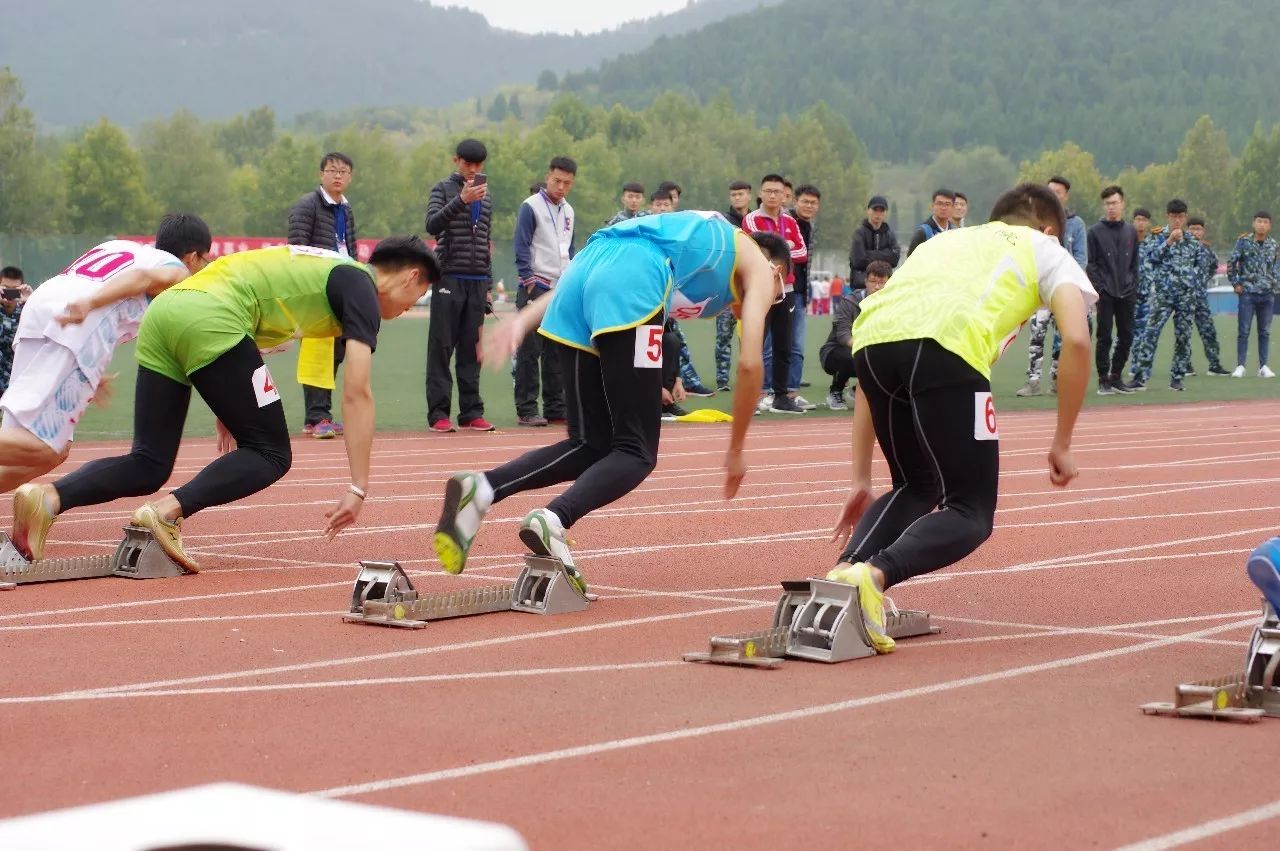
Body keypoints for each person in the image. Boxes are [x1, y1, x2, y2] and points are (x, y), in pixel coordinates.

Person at [11, 237, 440, 568]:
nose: (408, 308)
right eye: (416, 297)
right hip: (213, 318)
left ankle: (46, 498)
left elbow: (253, 294)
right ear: (411, 277)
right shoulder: (360, 286)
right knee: (271, 453)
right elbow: (357, 391)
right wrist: (358, 487)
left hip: (165, 315)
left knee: (148, 463)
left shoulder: (329, 268)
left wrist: (227, 405)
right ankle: (165, 513)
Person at [431, 211, 791, 594]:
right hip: (630, 283)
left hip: (581, 278)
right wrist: (736, 448)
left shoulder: (698, 251)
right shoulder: (759, 268)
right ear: (777, 270)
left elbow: (602, 264)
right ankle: (554, 519)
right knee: (636, 450)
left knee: (591, 443)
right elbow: (751, 365)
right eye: (777, 295)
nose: (769, 303)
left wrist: (523, 320)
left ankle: (484, 488)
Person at [825, 184, 1096, 653]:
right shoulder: (1044, 248)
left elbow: (877, 338)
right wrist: (1063, 441)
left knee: (916, 484)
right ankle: (873, 576)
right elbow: (1076, 339)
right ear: (1051, 230)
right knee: (971, 511)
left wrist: (860, 476)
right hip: (947, 350)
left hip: (869, 348)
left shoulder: (941, 242)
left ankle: (843, 576)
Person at [0, 218, 210, 519]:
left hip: (42, 309)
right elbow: (140, 278)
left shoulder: (120, 247)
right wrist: (90, 304)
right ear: (192, 257)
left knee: (42, 452)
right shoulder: (177, 271)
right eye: (205, 260)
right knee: (47, 447)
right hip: (77, 322)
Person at [424, 139, 495, 434]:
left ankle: (471, 412)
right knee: (442, 347)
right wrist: (461, 200)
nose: (473, 170)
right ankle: (439, 413)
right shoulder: (442, 189)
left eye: (478, 165)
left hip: (477, 280)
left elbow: (484, 241)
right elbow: (432, 225)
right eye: (468, 164)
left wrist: (489, 284)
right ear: (456, 161)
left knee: (471, 349)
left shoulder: (487, 197)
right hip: (448, 276)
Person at [288, 152, 357, 439]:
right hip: (316, 288)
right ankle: (317, 417)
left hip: (341, 286)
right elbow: (297, 249)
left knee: (336, 352)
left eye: (343, 171)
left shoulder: (346, 209)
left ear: (350, 177)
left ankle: (321, 414)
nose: (337, 175)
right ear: (321, 175)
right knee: (317, 352)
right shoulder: (307, 205)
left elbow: (349, 249)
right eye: (332, 170)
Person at [514, 156, 577, 427]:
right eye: (556, 180)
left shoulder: (569, 211)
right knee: (530, 351)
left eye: (567, 183)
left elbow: (569, 249)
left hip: (560, 287)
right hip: (536, 285)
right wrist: (528, 279)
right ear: (547, 176)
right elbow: (522, 244)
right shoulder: (531, 207)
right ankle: (527, 408)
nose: (561, 187)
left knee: (556, 351)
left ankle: (555, 406)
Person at [1129, 199, 1215, 390]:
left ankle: (1177, 378)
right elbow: (1150, 259)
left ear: (1184, 217)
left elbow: (1201, 266)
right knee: (1150, 333)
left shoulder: (1193, 240)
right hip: (1163, 295)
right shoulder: (1158, 236)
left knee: (1183, 337)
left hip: (1186, 296)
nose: (1177, 220)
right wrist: (1168, 242)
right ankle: (1140, 377)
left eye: (1181, 217)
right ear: (1168, 216)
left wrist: (1193, 287)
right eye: (1174, 217)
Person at [1016, 176, 1087, 395]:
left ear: (1066, 196)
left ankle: (1058, 380)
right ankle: (1033, 381)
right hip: (1039, 290)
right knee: (1037, 336)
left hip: (1064, 289)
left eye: (1058, 192)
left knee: (1064, 337)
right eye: (1049, 192)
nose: (1053, 196)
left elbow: (1081, 258)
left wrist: (1069, 282)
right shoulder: (1034, 223)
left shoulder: (1076, 224)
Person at [743, 174, 807, 415]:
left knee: (784, 344)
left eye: (777, 192)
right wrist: (784, 245)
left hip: (785, 289)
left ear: (784, 195)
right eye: (768, 191)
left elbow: (802, 252)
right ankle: (751, 396)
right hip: (759, 290)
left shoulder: (790, 221)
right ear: (761, 193)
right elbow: (754, 248)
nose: (772, 195)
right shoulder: (751, 219)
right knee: (755, 343)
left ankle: (780, 396)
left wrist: (779, 247)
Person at [1087, 185, 1139, 394]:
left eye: (1115, 203)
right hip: (1106, 293)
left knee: (1127, 335)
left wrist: (1133, 284)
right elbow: (1092, 264)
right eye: (1108, 203)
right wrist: (1100, 288)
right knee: (1104, 336)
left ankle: (1116, 376)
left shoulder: (1130, 231)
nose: (1111, 207)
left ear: (1122, 204)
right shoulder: (1095, 232)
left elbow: (1135, 263)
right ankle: (1103, 379)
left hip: (1127, 292)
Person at [820, 260, 890, 410]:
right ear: (865, 281)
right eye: (873, 282)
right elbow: (843, 335)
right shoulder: (850, 302)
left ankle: (858, 390)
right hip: (835, 351)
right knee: (853, 356)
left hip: (870, 349)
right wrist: (867, 350)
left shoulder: (891, 304)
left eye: (882, 283)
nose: (877, 287)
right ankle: (835, 391)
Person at [1227, 212, 1278, 378]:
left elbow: (1276, 267)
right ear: (1253, 223)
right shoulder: (1244, 242)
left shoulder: (1273, 245)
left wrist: (1275, 285)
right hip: (1247, 292)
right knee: (1244, 331)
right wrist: (1235, 283)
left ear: (1269, 225)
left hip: (1267, 294)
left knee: (1264, 332)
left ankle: (1263, 367)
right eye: (1259, 221)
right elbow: (1231, 262)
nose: (1262, 225)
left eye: (1265, 222)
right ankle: (1240, 365)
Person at [715, 180, 754, 391]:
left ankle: (747, 375)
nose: (737, 198)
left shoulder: (756, 220)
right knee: (724, 333)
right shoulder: (723, 221)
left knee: (751, 333)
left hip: (750, 285)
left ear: (749, 195)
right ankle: (722, 379)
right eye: (734, 194)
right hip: (727, 284)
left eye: (741, 194)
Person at [788, 184, 822, 409]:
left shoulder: (810, 227)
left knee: (797, 346)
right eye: (805, 201)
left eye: (813, 203)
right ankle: (768, 391)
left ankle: (792, 392)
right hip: (781, 292)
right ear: (795, 202)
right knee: (774, 345)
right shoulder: (786, 223)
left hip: (800, 293)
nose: (809, 206)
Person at [1184, 218, 1229, 377]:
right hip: (1184, 298)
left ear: (1203, 231)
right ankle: (1185, 366)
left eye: (1198, 229)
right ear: (1187, 230)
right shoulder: (1181, 248)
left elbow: (1213, 267)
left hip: (1201, 298)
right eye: (1192, 229)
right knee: (1184, 332)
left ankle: (1214, 365)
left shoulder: (1207, 250)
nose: (1195, 232)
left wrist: (1202, 281)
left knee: (1208, 331)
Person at [849, 195, 901, 292]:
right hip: (861, 287)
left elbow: (895, 259)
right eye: (875, 210)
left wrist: (870, 253)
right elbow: (859, 261)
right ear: (868, 210)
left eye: (881, 211)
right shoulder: (859, 233)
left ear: (886, 213)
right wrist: (885, 254)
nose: (878, 214)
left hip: (884, 287)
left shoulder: (890, 234)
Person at [0, 266, 30, 396]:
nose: (9, 295)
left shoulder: (28, 310)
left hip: (18, 379)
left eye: (14, 290)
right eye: (6, 289)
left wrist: (31, 301)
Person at [906, 189, 955, 257]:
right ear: (932, 206)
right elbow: (910, 260)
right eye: (939, 204)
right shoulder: (922, 232)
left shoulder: (954, 232)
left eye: (947, 204)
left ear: (952, 208)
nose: (943, 208)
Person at [1131, 208, 1155, 342]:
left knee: (1144, 335)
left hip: (1146, 296)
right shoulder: (1126, 241)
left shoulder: (1152, 243)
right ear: (1133, 221)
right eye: (1138, 220)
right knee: (1125, 333)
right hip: (1129, 295)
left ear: (1148, 223)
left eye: (1144, 220)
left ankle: (1138, 363)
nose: (1141, 223)